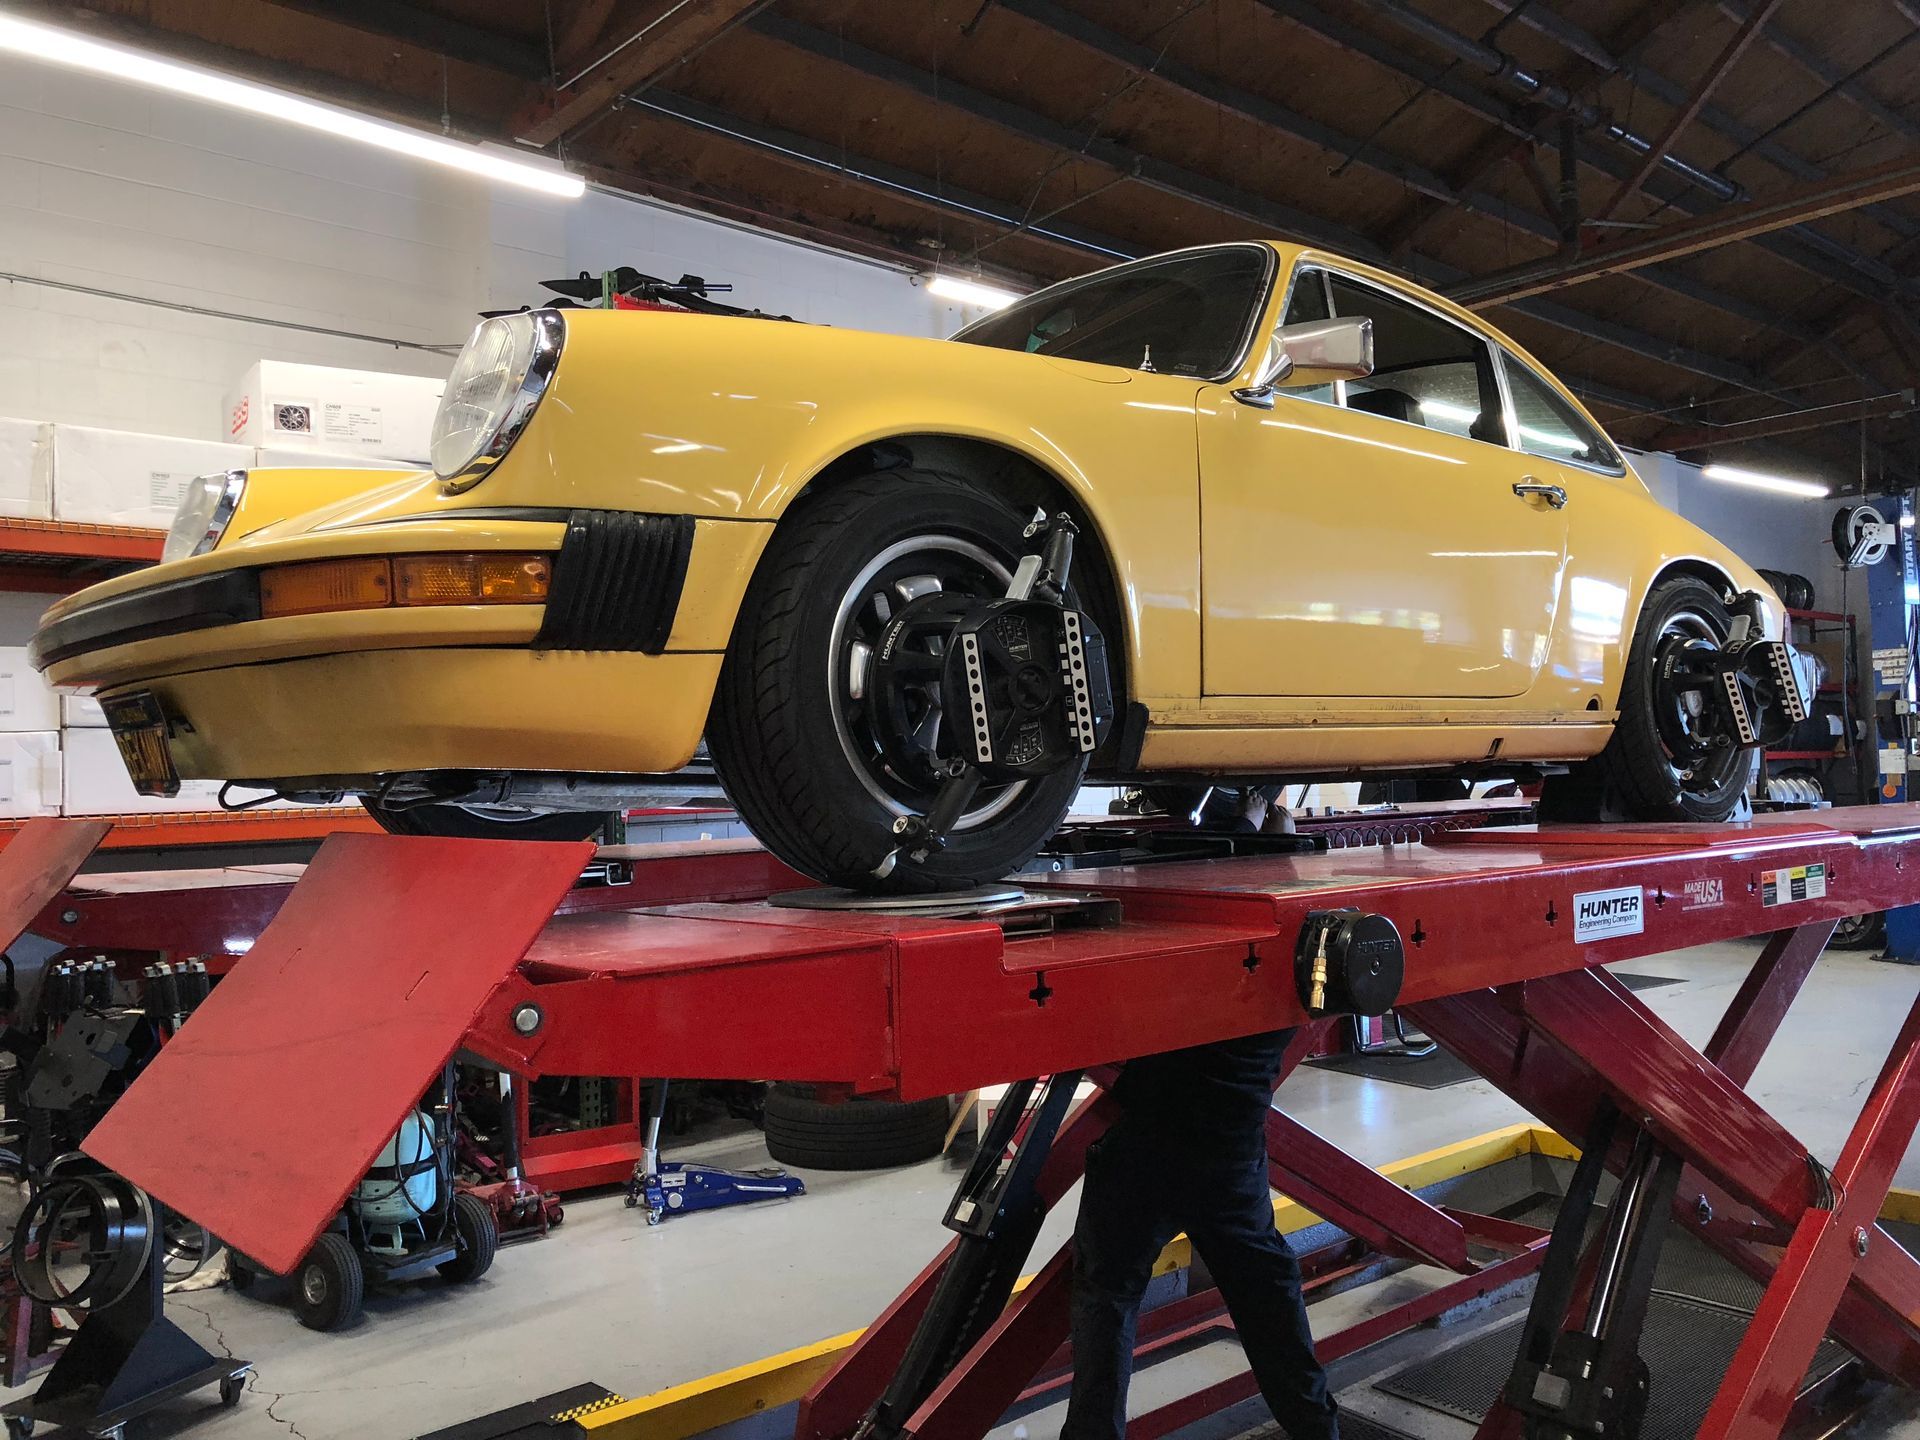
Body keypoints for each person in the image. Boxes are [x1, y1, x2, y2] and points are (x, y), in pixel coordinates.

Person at [1061, 1029, 1339, 1440]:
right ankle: (1317, 1430)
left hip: (1147, 1145)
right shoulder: (1287, 972)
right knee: (1266, 1298)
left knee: (1107, 1297)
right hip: (1228, 1149)